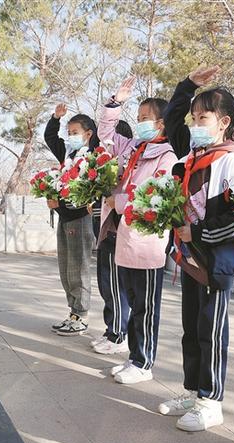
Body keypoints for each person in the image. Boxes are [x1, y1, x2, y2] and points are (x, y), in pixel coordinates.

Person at [159, 66, 234, 431]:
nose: (194, 124)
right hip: (190, 259)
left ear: (224, 122)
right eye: (194, 118)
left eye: (203, 118)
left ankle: (211, 400)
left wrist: (197, 232)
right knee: (191, 328)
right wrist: (187, 85)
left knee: (211, 331)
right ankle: (193, 391)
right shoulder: (192, 157)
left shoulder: (233, 161)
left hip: (216, 262)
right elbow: (172, 119)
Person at [97, 76, 177, 384]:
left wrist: (117, 202)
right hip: (125, 240)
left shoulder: (167, 157)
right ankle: (133, 357)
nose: (140, 122)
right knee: (132, 301)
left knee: (146, 307)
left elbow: (152, 197)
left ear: (161, 124)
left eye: (145, 118)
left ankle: (144, 363)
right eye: (139, 117)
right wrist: (116, 103)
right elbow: (105, 133)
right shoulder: (134, 149)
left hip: (147, 243)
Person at [44, 104, 99, 336]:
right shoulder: (69, 154)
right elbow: (50, 137)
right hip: (65, 217)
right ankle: (73, 312)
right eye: (69, 132)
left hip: (81, 218)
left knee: (78, 268)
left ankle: (81, 315)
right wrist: (55, 118)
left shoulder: (95, 155)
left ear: (88, 134)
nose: (71, 136)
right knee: (66, 268)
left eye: (75, 132)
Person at [89, 118, 134, 357]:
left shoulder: (125, 165)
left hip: (116, 231)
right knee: (106, 284)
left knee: (116, 286)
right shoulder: (105, 164)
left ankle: (119, 334)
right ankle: (111, 329)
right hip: (103, 231)